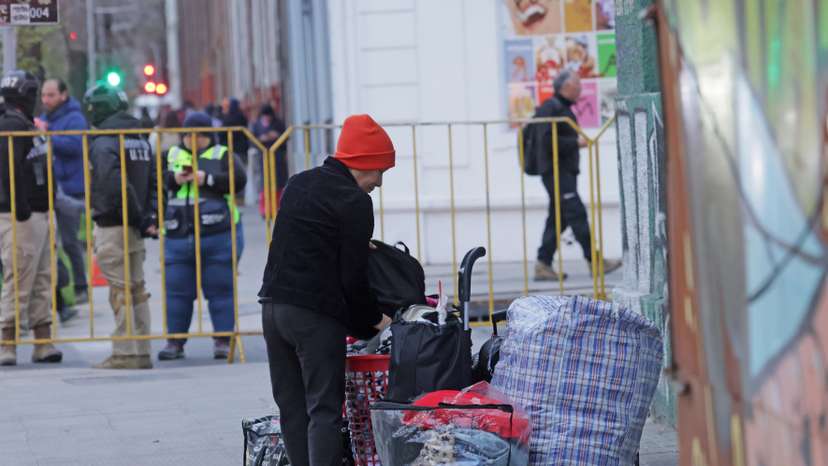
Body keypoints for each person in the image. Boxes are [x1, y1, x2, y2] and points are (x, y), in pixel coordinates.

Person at [259, 114, 394, 466]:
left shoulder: (299, 183)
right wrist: (373, 321)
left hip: (274, 308)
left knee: (292, 408)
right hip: (314, 315)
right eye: (379, 170)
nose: (378, 182)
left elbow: (305, 240)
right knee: (324, 410)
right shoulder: (355, 202)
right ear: (362, 163)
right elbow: (352, 278)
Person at [157, 111, 246, 361]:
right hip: (177, 234)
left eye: (196, 136)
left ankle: (223, 340)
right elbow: (157, 183)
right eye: (187, 135)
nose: (191, 140)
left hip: (216, 233)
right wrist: (174, 179)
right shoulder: (172, 155)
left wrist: (205, 178)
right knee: (176, 292)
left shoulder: (222, 155)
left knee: (220, 290)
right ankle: (174, 342)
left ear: (207, 136)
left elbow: (239, 181)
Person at [85, 84, 158, 369]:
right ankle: (141, 349)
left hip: (114, 224)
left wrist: (139, 216)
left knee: (120, 288)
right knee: (137, 288)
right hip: (136, 225)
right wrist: (148, 217)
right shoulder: (139, 136)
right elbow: (153, 180)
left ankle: (126, 352)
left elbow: (113, 184)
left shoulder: (105, 140)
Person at [530, 70, 621, 281]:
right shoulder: (550, 108)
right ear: (565, 86)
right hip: (555, 172)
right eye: (577, 84)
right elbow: (545, 141)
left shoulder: (561, 108)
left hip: (563, 172)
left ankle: (543, 264)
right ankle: (595, 262)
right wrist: (575, 143)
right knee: (576, 213)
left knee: (558, 218)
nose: (580, 88)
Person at [0, 70, 64, 366]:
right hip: (21, 217)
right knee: (20, 278)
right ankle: (7, 342)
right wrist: (20, 206)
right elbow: (7, 170)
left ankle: (43, 340)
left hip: (39, 213)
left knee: (41, 279)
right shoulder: (12, 127)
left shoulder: (25, 125)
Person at [37, 78, 90, 307]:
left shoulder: (74, 118)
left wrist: (47, 135)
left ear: (63, 95)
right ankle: (56, 289)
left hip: (71, 189)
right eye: (43, 95)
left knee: (70, 242)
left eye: (50, 95)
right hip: (51, 187)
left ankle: (81, 286)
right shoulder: (48, 118)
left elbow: (75, 145)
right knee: (49, 242)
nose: (46, 99)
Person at [251, 104, 287, 217]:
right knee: (265, 183)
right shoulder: (257, 124)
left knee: (279, 183)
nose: (267, 118)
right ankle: (265, 210)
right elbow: (252, 140)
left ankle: (278, 208)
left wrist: (277, 136)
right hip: (264, 156)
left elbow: (286, 137)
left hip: (278, 157)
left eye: (268, 116)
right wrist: (260, 140)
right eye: (265, 116)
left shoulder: (278, 123)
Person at [219, 97, 249, 164]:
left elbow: (221, 134)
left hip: (232, 150)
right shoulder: (242, 117)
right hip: (241, 150)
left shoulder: (228, 119)